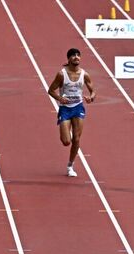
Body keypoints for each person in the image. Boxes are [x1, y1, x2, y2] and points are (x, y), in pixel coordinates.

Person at [47, 48, 96, 177]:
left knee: (77, 139)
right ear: (68, 59)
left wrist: (91, 97)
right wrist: (59, 98)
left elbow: (93, 91)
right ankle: (66, 130)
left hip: (78, 107)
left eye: (78, 55)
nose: (76, 57)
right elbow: (51, 90)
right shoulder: (61, 74)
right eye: (73, 55)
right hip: (65, 108)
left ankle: (70, 166)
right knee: (66, 141)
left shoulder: (84, 74)